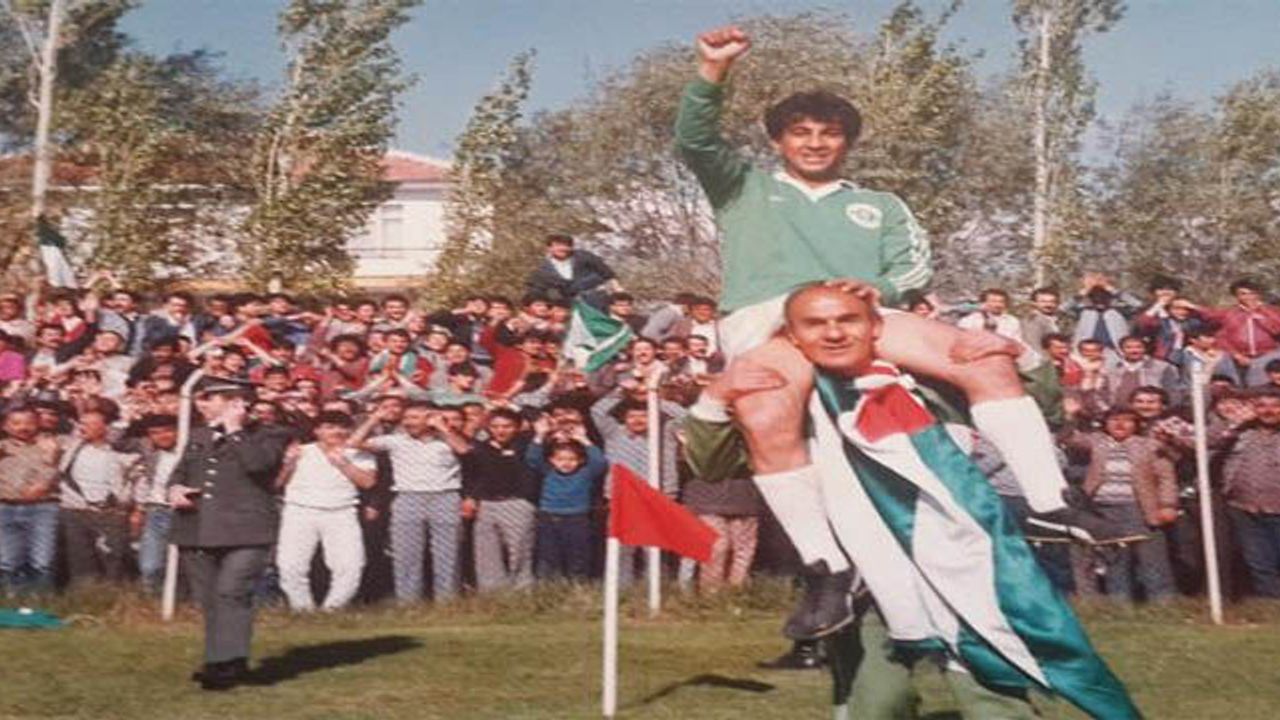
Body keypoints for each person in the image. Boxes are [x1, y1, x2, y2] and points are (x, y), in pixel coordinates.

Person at [676, 25, 1087, 640]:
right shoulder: (744, 187)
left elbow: (913, 268)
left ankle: (1051, 504)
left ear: (847, 142)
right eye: (801, 132)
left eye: (829, 133)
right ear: (778, 140)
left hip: (861, 315)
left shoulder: (881, 205)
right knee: (763, 408)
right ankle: (825, 568)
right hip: (769, 322)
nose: (815, 143)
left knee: (980, 355)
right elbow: (695, 138)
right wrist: (713, 68)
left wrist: (882, 289)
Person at [683, 283, 1139, 719]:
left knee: (994, 695)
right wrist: (713, 399)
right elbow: (713, 466)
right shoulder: (776, 396)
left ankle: (1054, 513)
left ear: (876, 326)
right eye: (816, 324)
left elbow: (1046, 407)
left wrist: (1021, 352)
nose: (834, 334)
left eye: (848, 320)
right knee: (879, 701)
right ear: (792, 336)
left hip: (961, 557)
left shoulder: (931, 376)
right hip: (858, 575)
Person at [167, 377, 292, 691]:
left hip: (246, 529)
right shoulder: (200, 434)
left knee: (231, 592)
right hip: (198, 527)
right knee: (210, 599)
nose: (202, 405)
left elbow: (259, 465)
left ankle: (228, 662)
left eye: (210, 399)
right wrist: (175, 489)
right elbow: (180, 471)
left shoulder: (271, 434)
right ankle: (221, 660)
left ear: (235, 403)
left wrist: (235, 431)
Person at [349, 402, 471, 603]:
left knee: (447, 552)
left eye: (414, 418)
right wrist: (374, 418)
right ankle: (408, 601)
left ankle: (447, 600)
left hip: (444, 496)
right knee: (406, 553)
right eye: (406, 418)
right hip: (408, 497)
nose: (408, 422)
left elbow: (463, 450)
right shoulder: (395, 441)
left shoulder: (447, 439)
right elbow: (353, 443)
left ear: (429, 418)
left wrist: (441, 426)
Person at [275, 411, 377, 611]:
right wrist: (289, 463)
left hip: (342, 511)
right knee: (290, 565)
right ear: (317, 431)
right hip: (300, 511)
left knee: (350, 565)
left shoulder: (359, 453)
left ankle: (333, 609)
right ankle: (302, 610)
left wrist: (343, 464)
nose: (337, 432)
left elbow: (367, 482)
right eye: (330, 427)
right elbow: (278, 483)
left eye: (342, 427)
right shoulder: (301, 451)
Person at [1209, 388, 1280, 597]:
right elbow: (1209, 441)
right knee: (1258, 560)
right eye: (1261, 406)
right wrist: (1237, 422)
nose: (1268, 411)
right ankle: (1270, 604)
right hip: (1244, 508)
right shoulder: (1240, 433)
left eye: (1275, 406)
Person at [461, 407, 540, 592]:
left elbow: (536, 419)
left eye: (507, 426)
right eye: (495, 426)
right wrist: (471, 497)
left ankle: (522, 591)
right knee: (486, 552)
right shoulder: (481, 448)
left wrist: (511, 406)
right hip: (487, 504)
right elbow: (472, 476)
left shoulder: (525, 445)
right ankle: (492, 593)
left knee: (519, 550)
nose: (501, 431)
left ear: (517, 427)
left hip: (516, 502)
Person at [0, 406, 62, 596]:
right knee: (8, 560)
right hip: (6, 507)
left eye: (29, 423)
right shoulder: (3, 447)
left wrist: (51, 459)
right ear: (5, 426)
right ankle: (13, 600)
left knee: (42, 560)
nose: (23, 427)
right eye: (16, 423)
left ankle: (41, 600)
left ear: (38, 424)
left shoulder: (51, 446)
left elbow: (55, 474)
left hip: (42, 508)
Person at [525, 233, 617, 306]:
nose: (563, 248)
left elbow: (608, 275)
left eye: (566, 245)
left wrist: (618, 292)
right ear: (549, 248)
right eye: (558, 245)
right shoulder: (541, 271)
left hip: (598, 300)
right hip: (569, 305)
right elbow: (536, 292)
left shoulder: (584, 257)